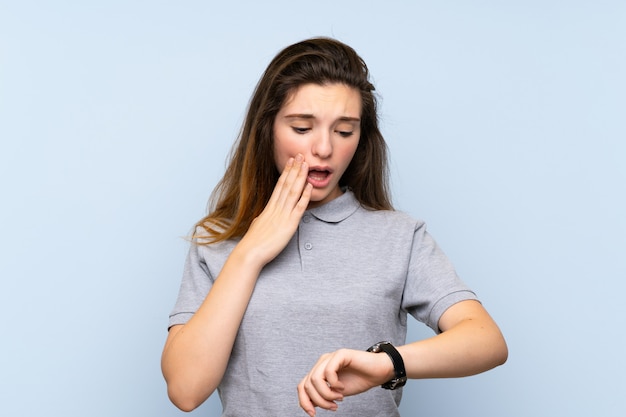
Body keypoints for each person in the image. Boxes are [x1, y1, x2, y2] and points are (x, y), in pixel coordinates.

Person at [161, 37, 508, 417]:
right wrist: (250, 252)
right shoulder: (219, 242)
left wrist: (387, 362)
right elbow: (186, 390)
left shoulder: (399, 236)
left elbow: (487, 341)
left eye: (344, 131)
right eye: (302, 127)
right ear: (267, 129)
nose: (323, 148)